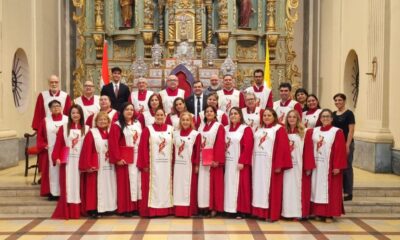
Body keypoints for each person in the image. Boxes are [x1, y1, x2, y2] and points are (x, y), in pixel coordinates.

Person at [304, 109, 347, 222]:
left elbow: (340, 150)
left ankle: (329, 214)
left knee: (329, 190)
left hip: (329, 167)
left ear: (332, 119)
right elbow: (308, 148)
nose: (325, 118)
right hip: (316, 165)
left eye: (328, 116)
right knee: (315, 189)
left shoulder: (337, 132)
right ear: (320, 118)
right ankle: (317, 212)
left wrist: (337, 166)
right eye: (323, 116)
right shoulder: (313, 131)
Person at [252, 108, 292, 222]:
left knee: (271, 189)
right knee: (258, 187)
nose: (266, 117)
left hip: (271, 165)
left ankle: (271, 213)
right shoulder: (259, 130)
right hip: (258, 163)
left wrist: (278, 165)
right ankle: (259, 212)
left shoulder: (279, 129)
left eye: (269, 115)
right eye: (264, 115)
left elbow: (282, 148)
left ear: (274, 117)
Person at [51, 105, 89, 219]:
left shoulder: (86, 128)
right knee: (68, 185)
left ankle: (79, 210)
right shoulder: (64, 128)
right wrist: (56, 157)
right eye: (73, 113)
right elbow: (59, 144)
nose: (75, 115)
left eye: (77, 113)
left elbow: (89, 147)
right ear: (70, 115)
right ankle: (68, 211)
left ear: (81, 114)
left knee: (79, 185)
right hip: (67, 161)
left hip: (81, 161)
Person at [79, 112, 117, 218]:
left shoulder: (111, 132)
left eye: (105, 119)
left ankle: (109, 208)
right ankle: (93, 209)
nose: (102, 121)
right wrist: (88, 165)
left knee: (110, 185)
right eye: (100, 120)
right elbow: (86, 150)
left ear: (109, 121)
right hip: (97, 165)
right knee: (94, 187)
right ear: (96, 122)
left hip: (110, 165)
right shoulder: (92, 133)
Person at [137, 108, 174, 217]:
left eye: (161, 115)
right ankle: (152, 211)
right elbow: (142, 147)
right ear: (154, 117)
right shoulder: (147, 130)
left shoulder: (171, 129)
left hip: (167, 166)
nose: (159, 117)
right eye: (157, 115)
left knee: (166, 187)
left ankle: (167, 210)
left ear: (165, 116)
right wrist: (144, 164)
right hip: (152, 166)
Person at [109, 103, 143, 216]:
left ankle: (135, 207)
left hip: (137, 157)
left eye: (132, 110)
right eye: (127, 109)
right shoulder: (117, 125)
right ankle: (126, 208)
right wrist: (118, 158)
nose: (129, 112)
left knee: (137, 182)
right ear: (122, 111)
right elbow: (113, 144)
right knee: (126, 184)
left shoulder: (138, 124)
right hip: (125, 159)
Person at [281, 110, 315, 219]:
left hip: (299, 167)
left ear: (298, 119)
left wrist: (308, 167)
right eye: (289, 117)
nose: (291, 119)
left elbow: (308, 150)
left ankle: (297, 213)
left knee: (297, 189)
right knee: (286, 189)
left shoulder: (304, 132)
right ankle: (286, 213)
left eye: (294, 117)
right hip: (286, 167)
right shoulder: (283, 132)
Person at [224, 107, 253, 218]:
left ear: (240, 115)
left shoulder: (245, 129)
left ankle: (241, 210)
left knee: (240, 186)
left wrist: (242, 161)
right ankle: (229, 209)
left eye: (236, 113)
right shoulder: (225, 128)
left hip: (239, 164)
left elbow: (248, 147)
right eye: (231, 114)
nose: (233, 116)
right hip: (228, 162)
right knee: (228, 185)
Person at [36, 100, 69, 200]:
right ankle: (52, 193)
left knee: (64, 171)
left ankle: (64, 192)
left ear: (61, 107)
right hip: (49, 150)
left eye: (58, 106)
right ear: (50, 109)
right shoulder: (45, 120)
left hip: (64, 150)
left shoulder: (67, 119)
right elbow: (40, 136)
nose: (56, 108)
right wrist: (44, 145)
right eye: (53, 106)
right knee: (51, 172)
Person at [197, 105, 226, 217]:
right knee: (203, 184)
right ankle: (204, 206)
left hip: (212, 160)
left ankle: (213, 207)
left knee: (213, 184)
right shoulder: (201, 127)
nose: (209, 113)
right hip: (202, 159)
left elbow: (220, 143)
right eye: (207, 111)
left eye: (211, 111)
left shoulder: (219, 126)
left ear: (215, 114)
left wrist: (216, 160)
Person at [173, 112, 201, 217]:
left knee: (188, 188)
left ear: (191, 121)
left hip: (189, 166)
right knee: (177, 187)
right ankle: (177, 210)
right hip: (177, 166)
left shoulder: (195, 134)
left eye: (187, 120)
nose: (185, 122)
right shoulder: (175, 133)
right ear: (180, 121)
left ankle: (189, 210)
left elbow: (197, 151)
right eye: (183, 120)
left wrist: (196, 165)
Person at [332, 93, 355, 201]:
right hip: (336, 144)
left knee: (347, 167)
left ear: (344, 101)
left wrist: (347, 145)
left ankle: (348, 192)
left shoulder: (349, 114)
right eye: (336, 100)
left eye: (340, 100)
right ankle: (338, 190)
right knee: (338, 167)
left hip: (346, 143)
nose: (337, 102)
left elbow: (351, 130)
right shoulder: (333, 114)